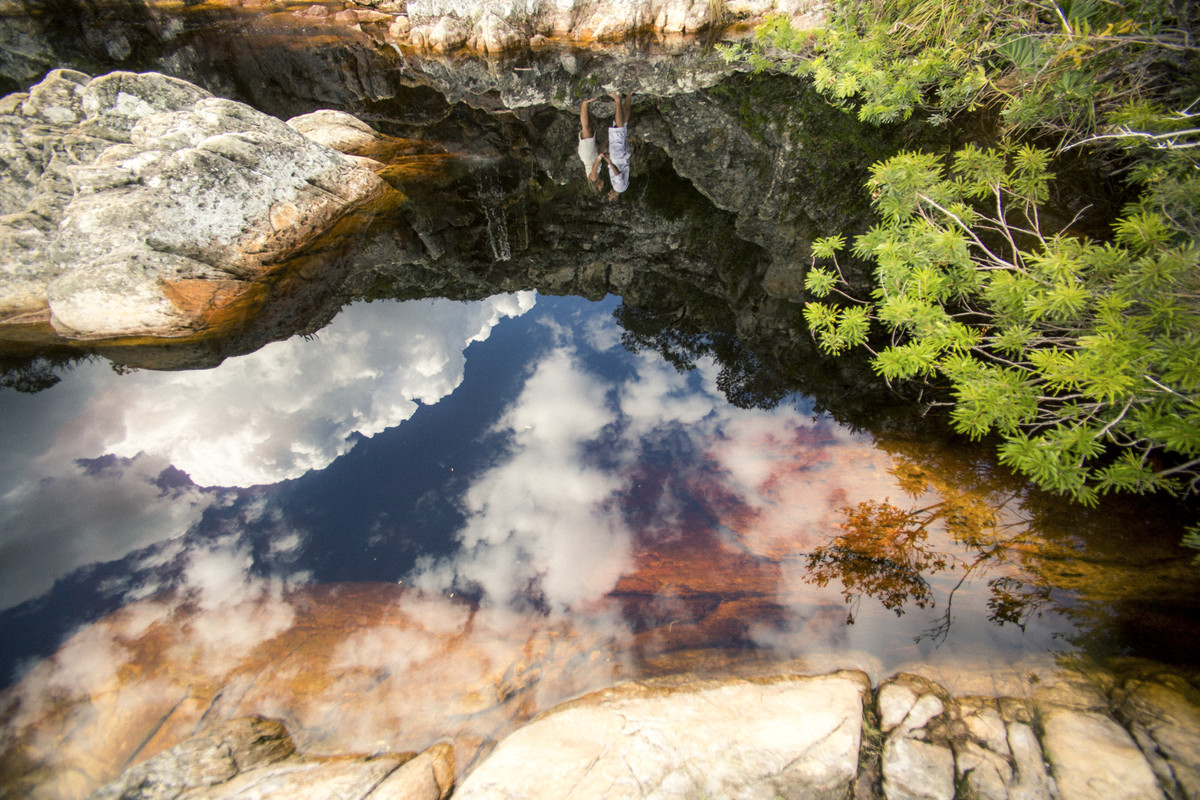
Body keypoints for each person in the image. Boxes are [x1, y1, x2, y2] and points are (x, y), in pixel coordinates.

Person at [603, 92, 632, 201]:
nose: (609, 193)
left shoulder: (624, 187)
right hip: (618, 158)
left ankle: (629, 95)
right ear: (615, 198)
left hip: (623, 157)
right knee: (618, 129)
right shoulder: (618, 188)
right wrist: (609, 162)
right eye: (610, 196)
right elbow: (618, 175)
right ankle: (618, 100)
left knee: (623, 126)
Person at [578, 98, 605, 193]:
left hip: (587, 153)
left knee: (586, 128)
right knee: (589, 128)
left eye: (601, 187)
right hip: (590, 152)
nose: (602, 185)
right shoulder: (597, 175)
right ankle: (585, 105)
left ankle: (584, 102)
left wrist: (599, 157)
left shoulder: (593, 178)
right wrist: (605, 141)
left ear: (597, 186)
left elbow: (594, 166)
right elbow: (600, 151)